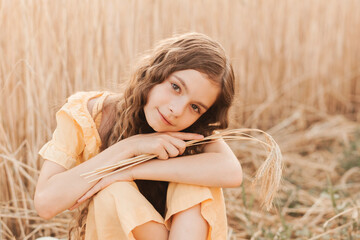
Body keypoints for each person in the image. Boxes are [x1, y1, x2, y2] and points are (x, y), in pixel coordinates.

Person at [34, 32, 243, 240]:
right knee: (113, 192)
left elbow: (232, 172)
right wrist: (130, 147)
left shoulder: (193, 133)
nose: (177, 110)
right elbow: (45, 203)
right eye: (176, 87)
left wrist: (130, 171)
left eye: (195, 107)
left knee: (194, 180)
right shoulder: (89, 114)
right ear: (155, 72)